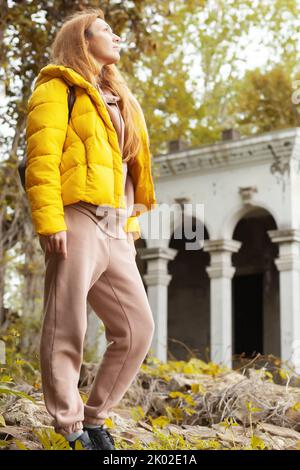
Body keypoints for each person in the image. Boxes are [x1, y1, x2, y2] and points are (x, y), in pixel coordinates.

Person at [25, 7, 157, 450]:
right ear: (83, 41)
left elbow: (129, 168)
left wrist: (131, 222)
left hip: (116, 227)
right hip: (76, 215)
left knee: (137, 328)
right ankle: (70, 426)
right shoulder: (56, 87)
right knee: (68, 324)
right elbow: (41, 159)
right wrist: (49, 219)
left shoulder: (120, 96)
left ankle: (96, 416)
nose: (116, 38)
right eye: (106, 31)